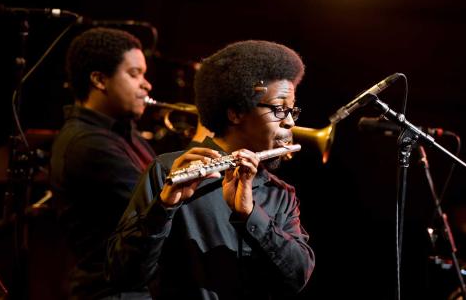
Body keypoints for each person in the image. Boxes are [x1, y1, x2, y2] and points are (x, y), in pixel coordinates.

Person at [107, 40, 315, 299]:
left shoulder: (281, 194)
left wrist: (251, 215)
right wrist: (163, 208)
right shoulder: (167, 171)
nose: (291, 122)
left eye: (292, 109)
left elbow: (297, 277)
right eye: (280, 109)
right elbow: (123, 274)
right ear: (236, 112)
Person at [50, 27, 155, 299]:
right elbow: (156, 207)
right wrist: (209, 137)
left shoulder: (124, 132)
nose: (147, 84)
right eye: (135, 74)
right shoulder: (87, 143)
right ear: (99, 79)